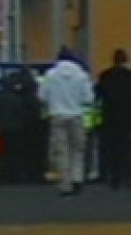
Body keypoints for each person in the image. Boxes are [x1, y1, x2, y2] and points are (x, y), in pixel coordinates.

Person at [41, 48, 94, 196]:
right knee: (77, 149)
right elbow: (88, 99)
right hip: (77, 115)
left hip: (57, 115)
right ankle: (77, 177)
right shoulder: (82, 75)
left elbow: (42, 96)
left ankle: (65, 184)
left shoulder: (50, 75)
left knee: (61, 151)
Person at [96, 49, 131, 190]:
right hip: (127, 118)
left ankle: (115, 178)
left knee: (112, 149)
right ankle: (129, 177)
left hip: (110, 117)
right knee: (127, 147)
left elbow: (98, 96)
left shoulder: (105, 76)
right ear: (126, 59)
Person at [0, 72, 29, 185]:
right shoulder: (16, 98)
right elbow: (21, 113)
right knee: (14, 154)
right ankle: (13, 176)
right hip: (14, 130)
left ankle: (0, 175)